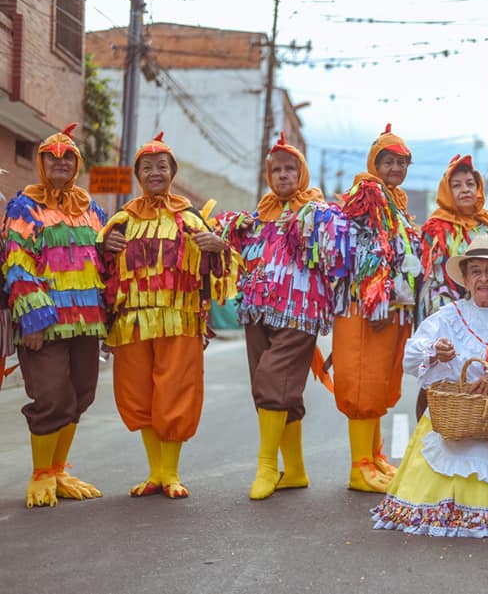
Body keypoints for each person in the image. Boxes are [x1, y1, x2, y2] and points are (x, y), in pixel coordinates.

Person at [371, 235, 488, 537]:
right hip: (455, 421)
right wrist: (435, 351)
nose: (483, 278)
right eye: (475, 271)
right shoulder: (446, 317)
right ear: (466, 279)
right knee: (438, 477)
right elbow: (411, 357)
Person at [100, 132, 236, 499]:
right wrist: (104, 249)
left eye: (162, 166)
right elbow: (97, 273)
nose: (155, 173)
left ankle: (171, 473)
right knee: (138, 393)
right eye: (147, 167)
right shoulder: (121, 220)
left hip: (181, 319)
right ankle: (155, 473)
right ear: (138, 174)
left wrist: (218, 248)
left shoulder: (190, 217)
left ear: (172, 172)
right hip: (131, 323)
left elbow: (221, 272)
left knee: (175, 391)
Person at [217, 132, 348, 500]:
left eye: (291, 169)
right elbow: (243, 254)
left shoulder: (319, 213)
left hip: (299, 313)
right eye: (276, 170)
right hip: (258, 309)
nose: (283, 176)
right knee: (273, 384)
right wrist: (222, 242)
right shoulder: (260, 214)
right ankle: (296, 471)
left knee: (273, 381)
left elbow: (336, 256)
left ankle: (266, 466)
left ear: (302, 172)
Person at [1, 123, 107, 507]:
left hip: (86, 321)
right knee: (51, 397)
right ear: (42, 162)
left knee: (81, 393)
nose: (60, 163)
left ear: (77, 163)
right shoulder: (24, 207)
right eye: (52, 157)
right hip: (44, 325)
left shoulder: (91, 209)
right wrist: (32, 319)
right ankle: (41, 473)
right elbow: (17, 263)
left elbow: (104, 260)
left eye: (68, 157)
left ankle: (60, 469)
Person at [332, 123, 422, 493]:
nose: (395, 169)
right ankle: (359, 467)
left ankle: (375, 456)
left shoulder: (393, 202)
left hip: (390, 307)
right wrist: (378, 298)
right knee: (363, 382)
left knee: (380, 382)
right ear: (374, 163)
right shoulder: (367, 194)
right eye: (388, 161)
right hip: (366, 307)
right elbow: (366, 251)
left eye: (402, 163)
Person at [414, 153, 488, 419]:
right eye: (457, 185)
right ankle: (431, 431)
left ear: (478, 189)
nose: (465, 190)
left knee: (476, 371)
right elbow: (431, 278)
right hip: (447, 311)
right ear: (447, 191)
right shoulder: (435, 228)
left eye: (470, 184)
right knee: (442, 375)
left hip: (484, 311)